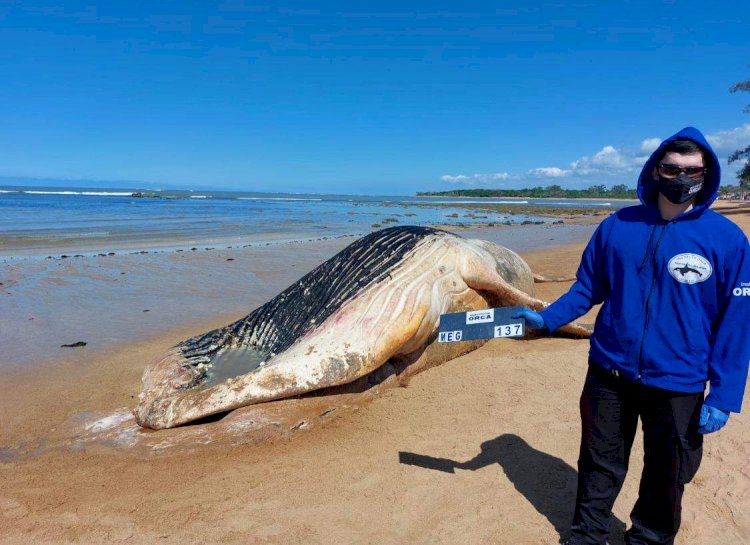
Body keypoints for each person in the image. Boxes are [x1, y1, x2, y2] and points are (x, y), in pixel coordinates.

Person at [513, 126, 750, 545]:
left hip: (679, 381)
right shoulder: (617, 225)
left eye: (692, 171)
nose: (681, 178)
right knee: (599, 463)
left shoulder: (727, 239)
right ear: (656, 170)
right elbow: (587, 287)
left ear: (706, 173)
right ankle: (587, 535)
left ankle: (649, 537)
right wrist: (547, 318)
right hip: (610, 372)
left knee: (668, 470)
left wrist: (724, 395)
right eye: (672, 168)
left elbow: (737, 321)